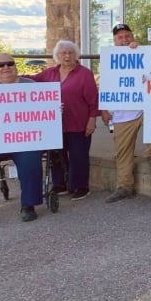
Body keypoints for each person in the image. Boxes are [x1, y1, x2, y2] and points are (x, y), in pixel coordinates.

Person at [0, 54, 44, 223]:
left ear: (15, 66)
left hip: (24, 141)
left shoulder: (30, 86)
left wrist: (56, 109)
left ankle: (28, 205)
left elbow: (45, 110)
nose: (6, 67)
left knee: (31, 160)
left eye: (10, 63)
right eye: (0, 65)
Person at [26, 40, 99, 201]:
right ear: (57, 56)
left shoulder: (84, 73)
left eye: (70, 53)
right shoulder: (49, 73)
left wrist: (92, 119)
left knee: (78, 156)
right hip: (54, 124)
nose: (67, 56)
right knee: (56, 156)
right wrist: (8, 77)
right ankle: (60, 184)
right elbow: (29, 82)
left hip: (79, 122)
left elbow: (93, 100)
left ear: (76, 55)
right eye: (63, 53)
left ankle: (81, 186)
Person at [100, 24, 142, 203]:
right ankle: (124, 187)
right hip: (122, 113)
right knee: (123, 152)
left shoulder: (143, 52)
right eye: (120, 37)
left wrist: (140, 51)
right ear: (114, 40)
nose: (124, 40)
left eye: (127, 36)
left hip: (145, 108)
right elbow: (106, 84)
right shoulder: (109, 59)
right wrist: (103, 109)